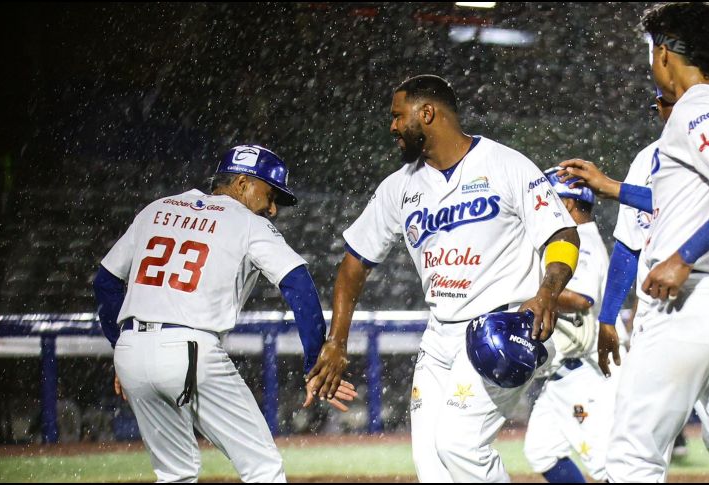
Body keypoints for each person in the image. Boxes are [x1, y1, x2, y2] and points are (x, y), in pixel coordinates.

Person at [306, 74, 580, 482]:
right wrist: (337, 341)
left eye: (399, 116)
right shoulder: (399, 188)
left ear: (427, 113)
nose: (393, 126)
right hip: (439, 339)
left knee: (460, 445)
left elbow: (562, 233)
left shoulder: (505, 164)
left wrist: (547, 291)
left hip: (500, 327)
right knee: (432, 466)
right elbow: (353, 264)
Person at [92, 145, 357, 483]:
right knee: (262, 467)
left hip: (132, 352)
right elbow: (298, 284)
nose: (273, 209)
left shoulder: (157, 209)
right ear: (243, 183)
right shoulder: (247, 222)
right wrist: (313, 363)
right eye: (270, 194)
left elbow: (106, 282)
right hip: (189, 349)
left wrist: (121, 344)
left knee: (175, 473)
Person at [601, 3, 709, 481]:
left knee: (631, 457)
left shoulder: (697, 105)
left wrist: (683, 258)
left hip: (692, 301)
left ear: (663, 54)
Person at [523, 169, 612, 483]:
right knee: (542, 451)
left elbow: (581, 299)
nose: (544, 205)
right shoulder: (572, 238)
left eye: (552, 198)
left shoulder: (582, 240)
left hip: (583, 374)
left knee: (608, 466)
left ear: (571, 205)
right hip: (563, 375)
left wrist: (530, 292)